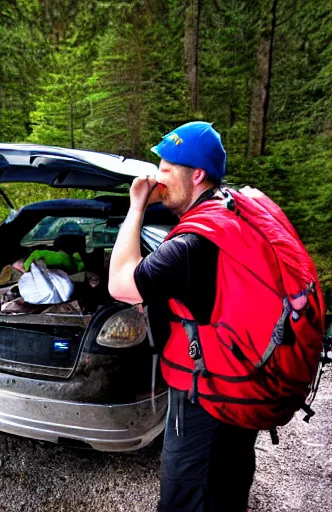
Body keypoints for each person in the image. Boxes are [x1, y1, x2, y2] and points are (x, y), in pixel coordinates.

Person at [108, 121, 258, 512]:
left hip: (204, 398)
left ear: (197, 174)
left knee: (186, 498)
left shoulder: (193, 242)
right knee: (225, 489)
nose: (158, 176)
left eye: (167, 168)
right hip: (238, 385)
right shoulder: (230, 214)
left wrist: (136, 206)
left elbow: (120, 284)